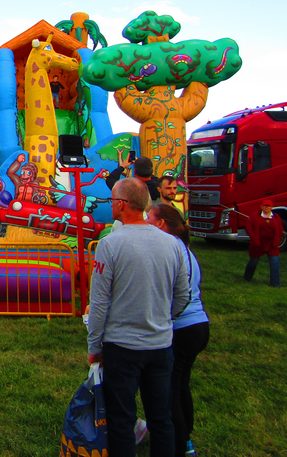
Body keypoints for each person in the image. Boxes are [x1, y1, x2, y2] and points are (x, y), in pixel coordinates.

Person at [88, 178, 190, 457]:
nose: (110, 205)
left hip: (122, 347)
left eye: (111, 200)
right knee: (161, 418)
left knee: (121, 421)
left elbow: (98, 302)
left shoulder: (110, 245)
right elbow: (183, 294)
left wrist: (94, 346)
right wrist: (162, 317)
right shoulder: (173, 244)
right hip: (160, 345)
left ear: (121, 204)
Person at [148, 204, 210, 457]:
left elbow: (176, 293)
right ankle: (186, 440)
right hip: (198, 326)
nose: (146, 222)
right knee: (181, 385)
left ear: (161, 224)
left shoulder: (172, 249)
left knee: (169, 390)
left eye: (149, 219)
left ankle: (180, 443)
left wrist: (164, 318)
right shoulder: (185, 250)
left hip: (183, 327)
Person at [243, 199, 282, 287]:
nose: (266, 208)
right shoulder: (254, 216)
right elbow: (248, 228)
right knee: (253, 262)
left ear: (271, 207)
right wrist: (254, 239)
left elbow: (280, 230)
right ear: (261, 207)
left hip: (272, 245)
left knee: (274, 264)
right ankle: (247, 277)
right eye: (264, 206)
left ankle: (275, 284)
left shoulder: (276, 217)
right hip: (258, 244)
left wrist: (277, 241)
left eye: (268, 206)